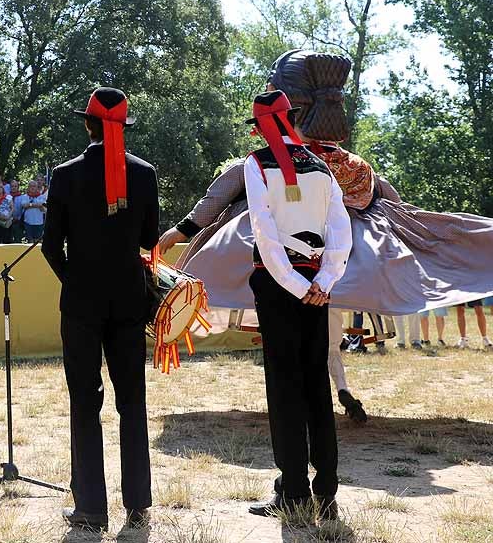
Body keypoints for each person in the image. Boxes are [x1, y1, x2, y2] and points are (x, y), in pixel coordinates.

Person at [158, 49, 493, 422]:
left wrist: (179, 231)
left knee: (291, 342)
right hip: (341, 270)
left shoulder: (261, 162)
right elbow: (395, 205)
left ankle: (308, 403)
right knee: (323, 336)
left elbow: (218, 198)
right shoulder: (355, 167)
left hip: (285, 268)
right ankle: (339, 393)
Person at [42, 87, 159, 534]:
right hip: (129, 299)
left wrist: (74, 280)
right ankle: (138, 502)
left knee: (84, 402)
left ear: (87, 124)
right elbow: (149, 240)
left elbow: (52, 246)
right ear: (122, 127)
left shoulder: (65, 174)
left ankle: (91, 506)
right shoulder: (144, 174)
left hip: (82, 303)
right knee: (133, 402)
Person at [241, 90, 352, 521]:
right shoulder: (321, 165)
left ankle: (292, 493)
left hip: (279, 285)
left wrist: (291, 283)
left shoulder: (256, 163)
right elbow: (340, 230)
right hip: (317, 288)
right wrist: (322, 281)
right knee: (315, 386)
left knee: (285, 389)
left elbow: (263, 230)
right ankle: (326, 492)